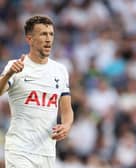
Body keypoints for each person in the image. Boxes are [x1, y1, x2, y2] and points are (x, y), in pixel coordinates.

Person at [0, 15, 74, 168]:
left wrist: (66, 126)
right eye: (43, 34)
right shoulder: (15, 66)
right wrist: (8, 75)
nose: (48, 39)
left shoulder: (60, 70)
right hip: (20, 149)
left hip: (47, 151)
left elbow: (67, 110)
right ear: (29, 39)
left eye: (51, 34)